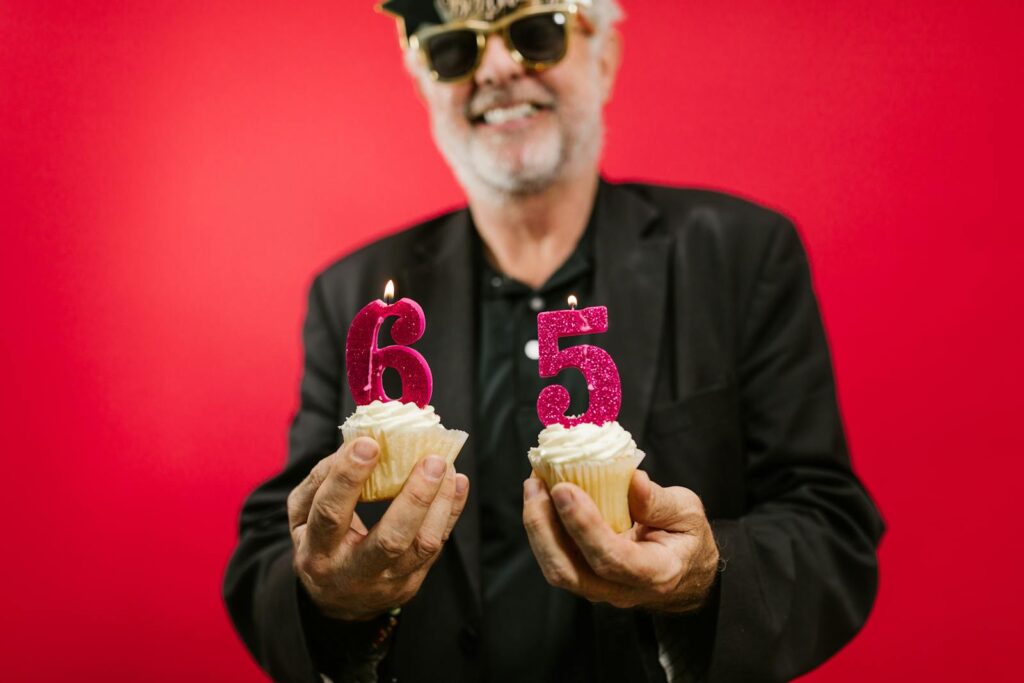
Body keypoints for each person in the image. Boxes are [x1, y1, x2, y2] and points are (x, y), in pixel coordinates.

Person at [223, 1, 884, 681]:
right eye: (456, 49)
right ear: (422, 79)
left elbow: (832, 531)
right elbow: (268, 559)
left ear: (606, 57)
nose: (500, 68)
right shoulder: (350, 290)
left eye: (537, 33)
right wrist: (337, 603)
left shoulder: (739, 255)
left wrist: (702, 576)